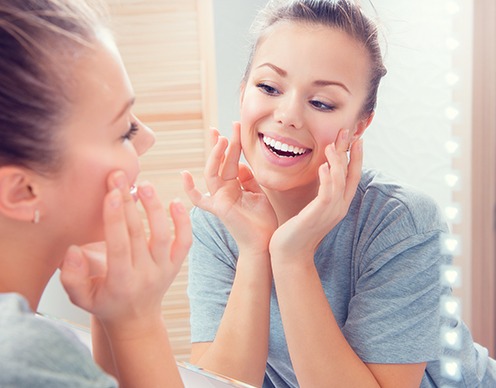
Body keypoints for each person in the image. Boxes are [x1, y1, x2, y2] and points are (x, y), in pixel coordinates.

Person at [182, 0, 496, 387]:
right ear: (244, 91)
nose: (288, 114)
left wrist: (292, 256)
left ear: (360, 126)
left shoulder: (401, 224)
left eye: (321, 102)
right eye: (268, 87)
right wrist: (253, 250)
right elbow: (219, 382)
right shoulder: (219, 220)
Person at [0, 0, 191, 387]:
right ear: (23, 191)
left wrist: (116, 312)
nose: (147, 140)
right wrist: (139, 322)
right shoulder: (22, 356)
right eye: (124, 131)